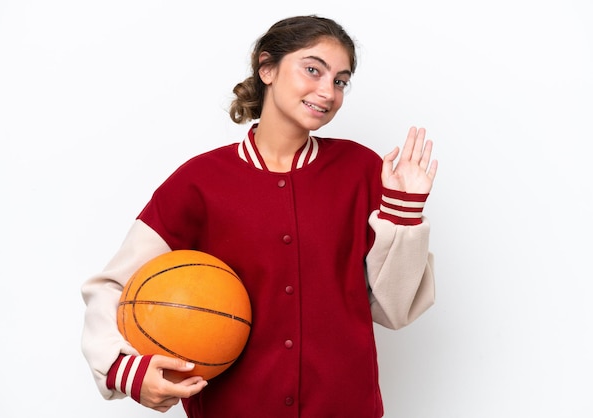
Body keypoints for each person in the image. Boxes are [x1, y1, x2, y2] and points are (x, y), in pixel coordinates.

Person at [81, 14, 438, 418]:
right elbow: (112, 287)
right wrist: (124, 368)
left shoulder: (362, 170)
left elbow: (395, 309)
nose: (328, 91)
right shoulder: (199, 182)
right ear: (266, 68)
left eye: (340, 80)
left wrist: (404, 212)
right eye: (312, 70)